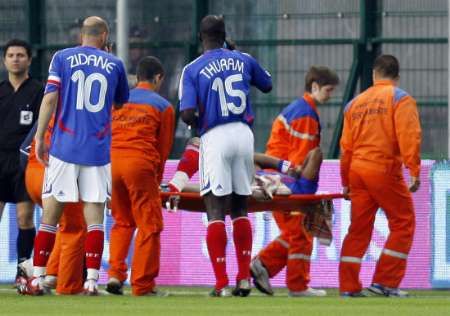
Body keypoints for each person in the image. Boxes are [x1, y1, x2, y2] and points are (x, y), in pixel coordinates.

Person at [26, 16, 129, 296]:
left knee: (50, 215)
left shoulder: (62, 57)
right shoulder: (116, 64)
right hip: (97, 151)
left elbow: (50, 98)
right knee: (95, 217)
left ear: (81, 35)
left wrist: (39, 137)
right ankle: (92, 281)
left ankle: (37, 278)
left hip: (64, 148)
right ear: (105, 35)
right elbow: (120, 102)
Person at [178, 15, 272, 297]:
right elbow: (266, 84)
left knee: (216, 209)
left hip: (215, 135)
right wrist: (235, 52)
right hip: (244, 134)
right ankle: (243, 278)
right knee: (241, 207)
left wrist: (196, 119)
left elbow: (187, 113)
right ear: (225, 35)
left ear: (200, 37)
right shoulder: (243, 58)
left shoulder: (193, 68)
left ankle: (221, 283)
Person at [251, 66, 339, 297]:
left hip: (275, 179)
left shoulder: (298, 109)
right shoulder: (306, 114)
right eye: (328, 90)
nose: (331, 95)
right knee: (300, 233)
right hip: (286, 184)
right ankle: (297, 286)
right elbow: (300, 159)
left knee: (295, 234)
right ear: (315, 87)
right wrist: (303, 194)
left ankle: (263, 265)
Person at [339, 54, 421, 297]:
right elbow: (409, 134)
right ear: (396, 77)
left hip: (357, 171)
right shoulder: (399, 98)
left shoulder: (354, 104)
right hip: (383, 170)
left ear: (374, 75)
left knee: (358, 229)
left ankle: (349, 287)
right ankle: (385, 282)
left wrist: (345, 182)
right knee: (403, 222)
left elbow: (346, 148)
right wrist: (413, 169)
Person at [106, 56, 175, 296]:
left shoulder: (117, 102)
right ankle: (143, 285)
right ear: (158, 78)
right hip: (140, 164)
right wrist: (156, 181)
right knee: (149, 224)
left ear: (136, 78)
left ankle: (115, 275)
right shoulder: (163, 106)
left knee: (122, 221)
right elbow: (163, 149)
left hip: (111, 165)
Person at [19, 119, 87, 295]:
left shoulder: (51, 112)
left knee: (58, 225)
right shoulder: (83, 113)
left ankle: (49, 273)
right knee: (74, 227)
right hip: (56, 172)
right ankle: (68, 287)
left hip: (33, 172)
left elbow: (23, 149)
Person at [0, 39, 43, 287]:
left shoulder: (38, 91)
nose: (16, 59)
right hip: (0, 162)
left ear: (28, 59)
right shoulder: (1, 90)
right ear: (5, 60)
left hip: (25, 163)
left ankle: (24, 273)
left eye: (20, 55)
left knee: (25, 218)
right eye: (11, 55)